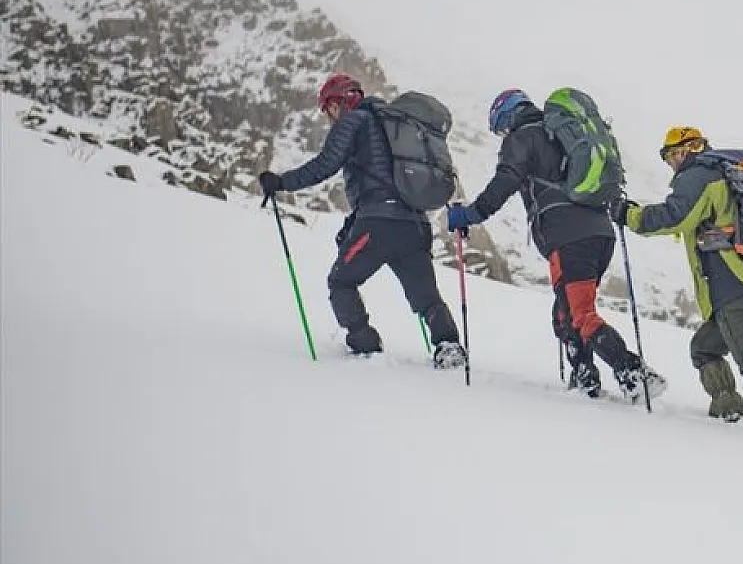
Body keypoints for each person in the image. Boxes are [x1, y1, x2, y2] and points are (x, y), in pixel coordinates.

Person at [445, 89, 665, 403]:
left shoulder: (523, 138)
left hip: (567, 236)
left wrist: (471, 213)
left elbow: (504, 182)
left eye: (501, 128)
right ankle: (585, 380)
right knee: (564, 314)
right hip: (600, 235)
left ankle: (633, 372)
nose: (503, 135)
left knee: (579, 315)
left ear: (507, 116)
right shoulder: (561, 134)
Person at [258, 73, 465, 368]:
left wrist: (281, 182)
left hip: (379, 225)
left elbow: (325, 164)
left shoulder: (354, 121)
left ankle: (365, 345)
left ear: (341, 100)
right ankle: (449, 346)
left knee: (341, 281)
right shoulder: (392, 125)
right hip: (414, 226)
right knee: (427, 297)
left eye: (329, 108)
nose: (329, 116)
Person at [611, 127, 743, 433]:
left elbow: (675, 216)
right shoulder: (729, 171)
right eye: (668, 157)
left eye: (674, 154)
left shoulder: (698, 175)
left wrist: (630, 215)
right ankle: (729, 416)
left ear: (688, 150)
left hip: (733, 288)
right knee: (704, 348)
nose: (672, 162)